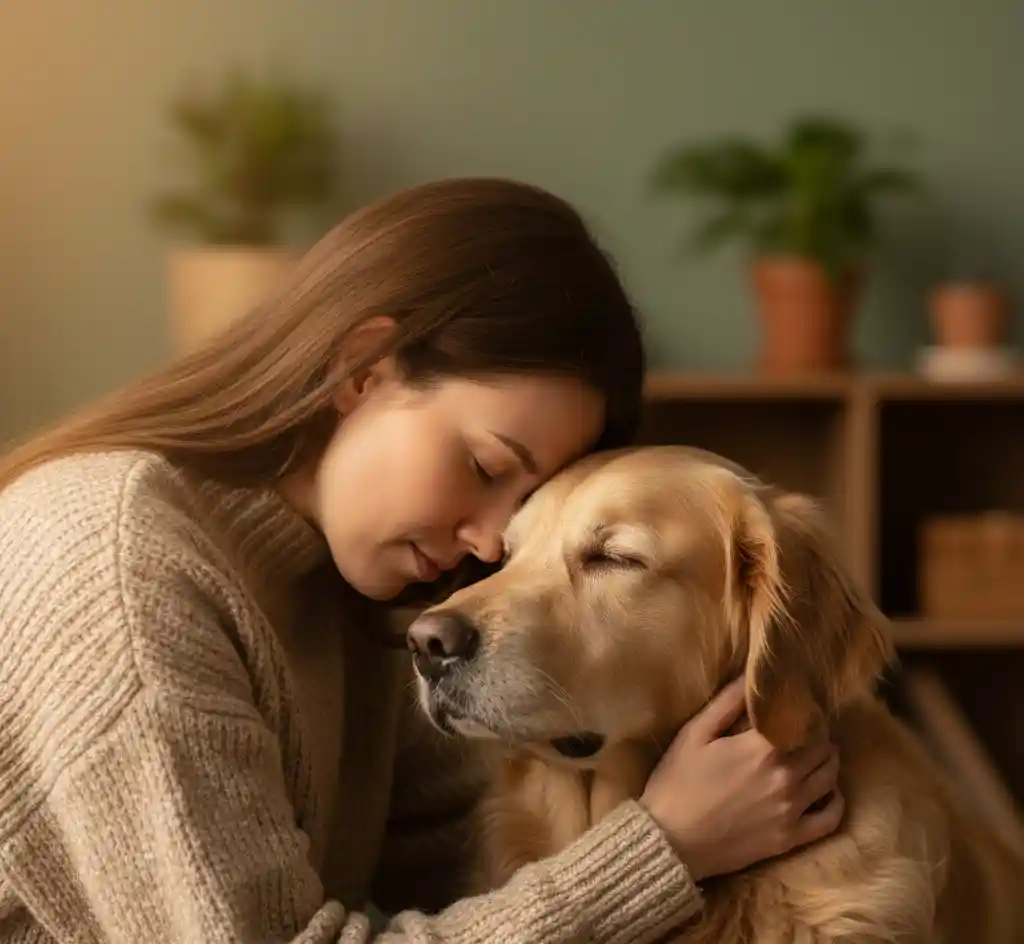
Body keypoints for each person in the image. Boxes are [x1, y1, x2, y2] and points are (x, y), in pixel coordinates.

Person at [0, 177, 843, 944]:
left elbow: (467, 856)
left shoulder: (360, 590)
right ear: (362, 372)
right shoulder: (118, 560)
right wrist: (663, 851)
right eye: (483, 467)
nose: (485, 548)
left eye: (516, 514)